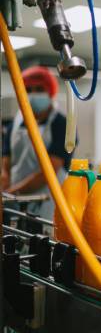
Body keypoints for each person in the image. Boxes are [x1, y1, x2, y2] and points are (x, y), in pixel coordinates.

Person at [2, 66, 74, 221]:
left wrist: (12, 193)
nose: (33, 94)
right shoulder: (16, 122)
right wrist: (5, 183)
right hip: (15, 200)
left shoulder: (61, 124)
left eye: (39, 89)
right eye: (28, 90)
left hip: (47, 203)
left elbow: (49, 171)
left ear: (50, 91)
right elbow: (6, 160)